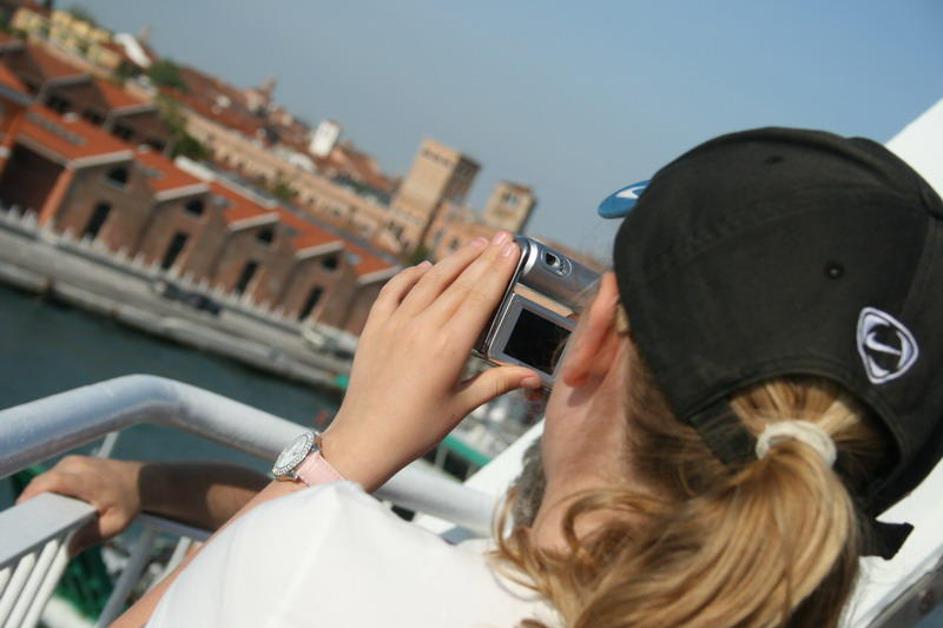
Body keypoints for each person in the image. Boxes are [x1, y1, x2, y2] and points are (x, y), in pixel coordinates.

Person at [19, 127, 943, 627]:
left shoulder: (316, 567)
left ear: (591, 340)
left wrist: (352, 447)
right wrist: (156, 486)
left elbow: (305, 569)